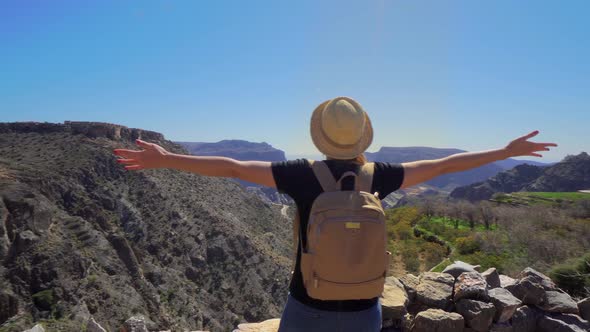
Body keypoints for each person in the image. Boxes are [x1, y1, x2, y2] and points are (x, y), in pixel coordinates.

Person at [113, 96, 557, 331]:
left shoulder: (301, 176)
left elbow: (231, 167)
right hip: (365, 306)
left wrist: (167, 159)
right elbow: (443, 165)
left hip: (308, 304)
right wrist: (505, 150)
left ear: (322, 136)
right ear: (362, 137)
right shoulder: (380, 175)